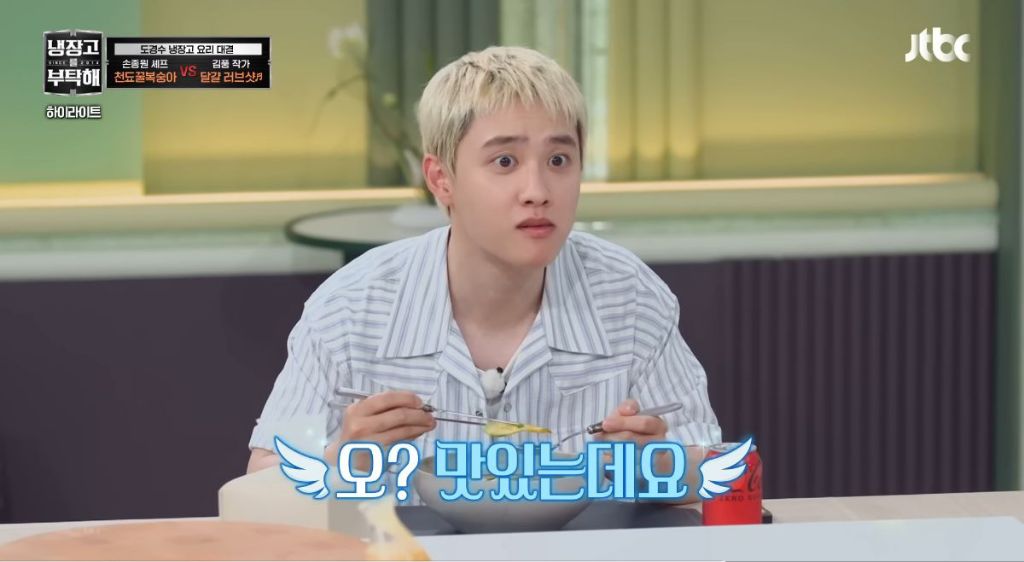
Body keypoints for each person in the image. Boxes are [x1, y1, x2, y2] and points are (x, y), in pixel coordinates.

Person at [247, 45, 721, 504]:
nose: (537, 191)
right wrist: (339, 460)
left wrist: (662, 467)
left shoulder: (629, 295)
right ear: (441, 179)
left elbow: (711, 467)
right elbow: (258, 487)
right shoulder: (351, 306)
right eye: (505, 161)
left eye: (558, 160)